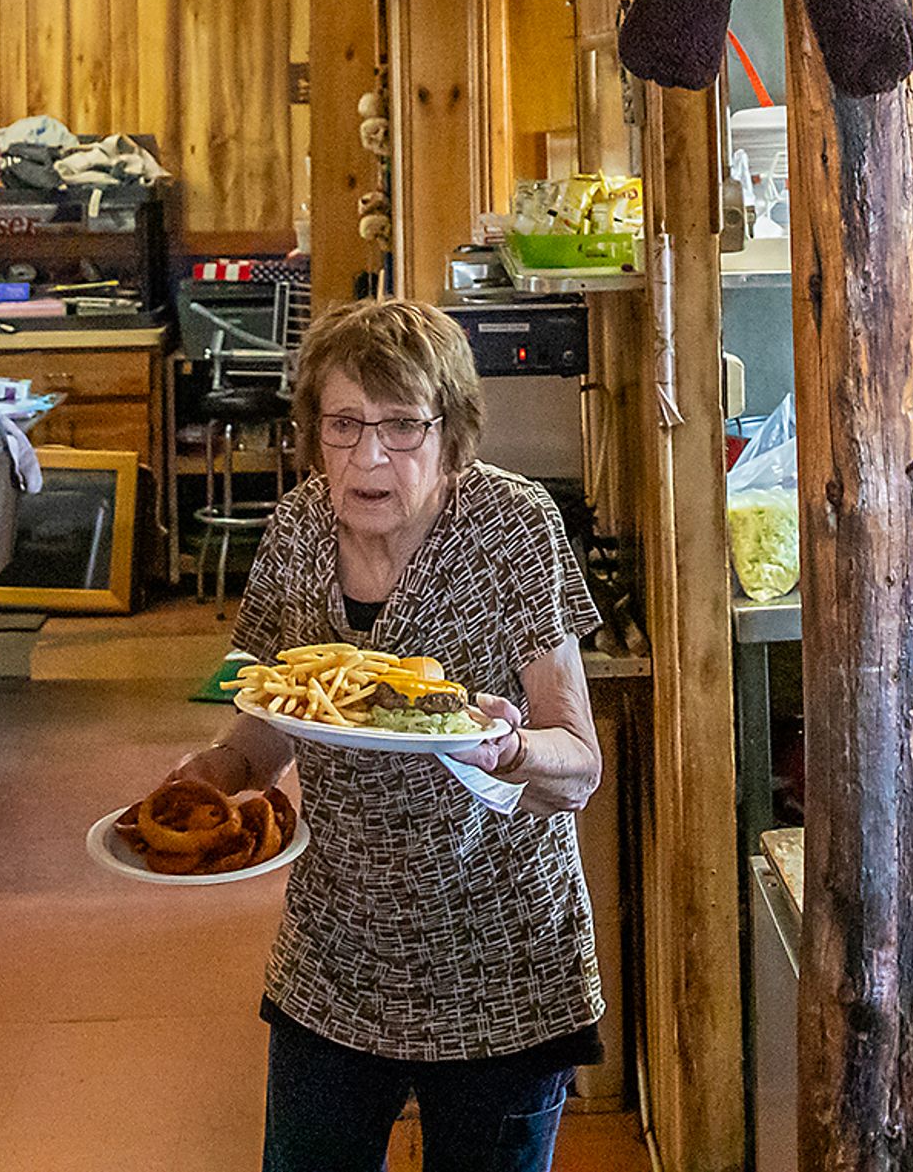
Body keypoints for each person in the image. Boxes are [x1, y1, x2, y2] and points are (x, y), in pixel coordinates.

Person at [167, 297, 607, 1171]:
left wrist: (511, 749)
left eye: (402, 425)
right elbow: (275, 720)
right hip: (337, 952)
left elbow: (579, 765)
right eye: (343, 424)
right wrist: (213, 772)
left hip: (500, 960)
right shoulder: (295, 528)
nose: (369, 455)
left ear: (453, 435)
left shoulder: (512, 528)